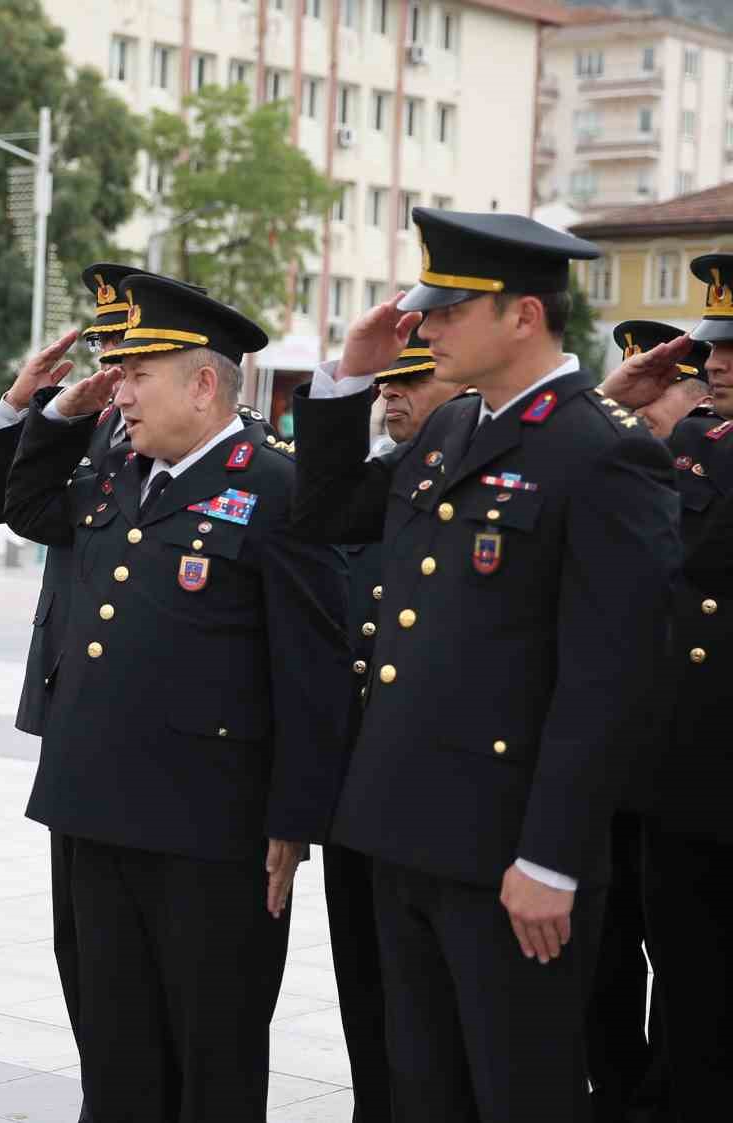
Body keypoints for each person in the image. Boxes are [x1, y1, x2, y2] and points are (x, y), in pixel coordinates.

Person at [291, 208, 680, 1123]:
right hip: (405, 833)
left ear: (523, 316)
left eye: (449, 310)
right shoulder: (446, 434)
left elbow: (610, 678)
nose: (422, 329)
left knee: (518, 1093)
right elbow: (329, 511)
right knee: (424, 1091)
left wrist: (551, 855)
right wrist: (350, 372)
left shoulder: (604, 451)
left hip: (510, 857)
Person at [4, 273, 352, 1121]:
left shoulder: (276, 487)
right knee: (114, 1052)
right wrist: (52, 412)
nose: (118, 394)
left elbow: (312, 668)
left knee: (212, 1053)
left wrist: (293, 821)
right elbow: (15, 503)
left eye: (135, 377)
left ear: (203, 384)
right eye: (118, 377)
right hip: (96, 810)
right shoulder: (117, 471)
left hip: (211, 829)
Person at [0, 263, 137, 1121]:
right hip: (78, 711)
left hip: (161, 729)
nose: (114, 371)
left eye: (130, 354)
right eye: (109, 353)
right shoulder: (90, 428)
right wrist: (22, 406)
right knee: (86, 952)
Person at [598, 256, 733, 1118]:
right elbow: (593, 484)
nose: (717, 363)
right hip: (681, 777)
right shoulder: (695, 443)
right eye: (716, 347)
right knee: (686, 984)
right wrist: (610, 400)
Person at [328, 328, 459, 1123]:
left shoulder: (483, 485)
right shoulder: (371, 482)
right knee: (366, 989)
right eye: (383, 382)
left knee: (445, 1019)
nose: (391, 393)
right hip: (360, 785)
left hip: (450, 793)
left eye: (410, 380)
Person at [583, 318, 710, 1123]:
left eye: (666, 391)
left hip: (688, 771)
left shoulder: (706, 475)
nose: (649, 409)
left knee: (690, 969)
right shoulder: (617, 471)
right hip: (609, 765)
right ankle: (614, 1094)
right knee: (602, 960)